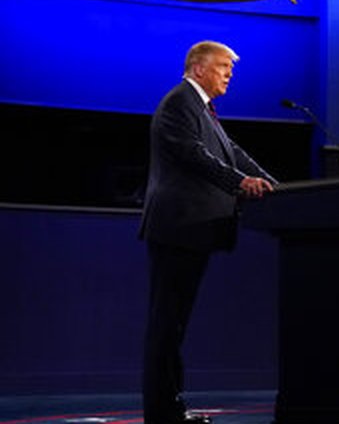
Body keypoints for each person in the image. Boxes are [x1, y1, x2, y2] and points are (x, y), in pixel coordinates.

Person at [140, 41, 277, 424]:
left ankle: (171, 409)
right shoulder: (179, 103)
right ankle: (162, 413)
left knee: (175, 326)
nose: (229, 75)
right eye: (223, 67)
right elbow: (195, 155)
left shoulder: (200, 107)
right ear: (198, 68)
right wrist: (241, 183)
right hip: (178, 228)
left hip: (192, 231)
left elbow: (230, 151)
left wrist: (272, 184)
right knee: (166, 325)